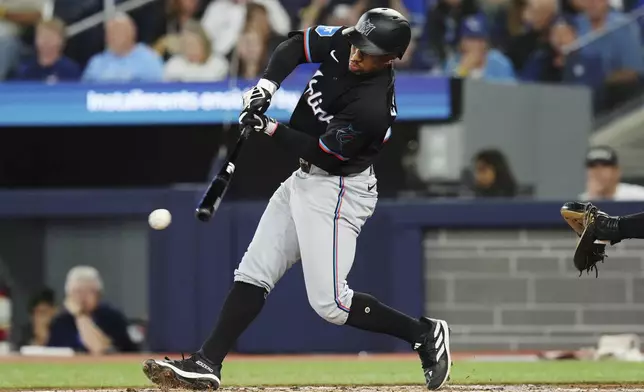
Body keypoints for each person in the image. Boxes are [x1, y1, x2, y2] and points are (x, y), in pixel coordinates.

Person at [143, 8, 452, 391]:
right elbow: (293, 47)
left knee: (332, 305)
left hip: (339, 189)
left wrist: (268, 126)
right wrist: (266, 88)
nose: (356, 53)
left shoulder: (371, 107)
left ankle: (423, 334)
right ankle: (208, 361)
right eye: (358, 42)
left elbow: (325, 153)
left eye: (368, 50)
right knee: (254, 271)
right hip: (305, 179)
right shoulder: (348, 41)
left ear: (390, 58)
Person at [47, 266, 138, 354]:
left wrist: (80, 315)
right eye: (77, 291)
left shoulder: (112, 318)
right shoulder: (60, 321)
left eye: (88, 291)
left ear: (99, 294)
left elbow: (100, 350)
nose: (82, 297)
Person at [81, 13, 164, 82]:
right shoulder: (97, 62)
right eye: (110, 33)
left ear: (132, 33)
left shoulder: (149, 59)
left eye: (118, 32)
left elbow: (157, 90)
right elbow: (84, 91)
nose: (112, 37)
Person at [14, 18, 81, 83]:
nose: (46, 41)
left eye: (51, 37)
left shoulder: (70, 69)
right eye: (42, 36)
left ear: (61, 40)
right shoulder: (25, 69)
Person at [163, 19, 229, 82]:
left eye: (194, 45)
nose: (191, 50)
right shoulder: (174, 65)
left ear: (204, 44)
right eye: (187, 45)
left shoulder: (218, 64)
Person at [579, 146, 644, 201]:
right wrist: (594, 199)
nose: (598, 171)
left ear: (617, 171)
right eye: (592, 166)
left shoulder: (637, 196)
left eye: (604, 166)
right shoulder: (583, 200)